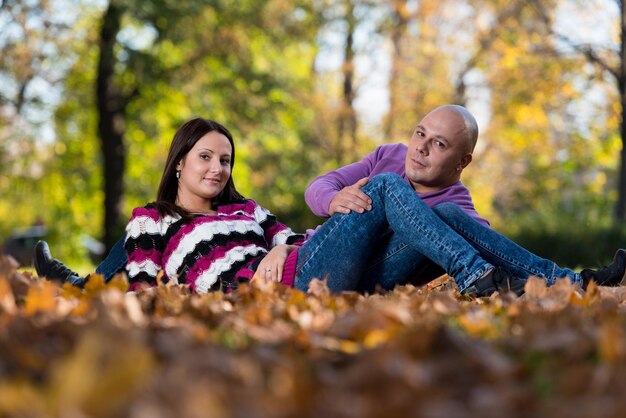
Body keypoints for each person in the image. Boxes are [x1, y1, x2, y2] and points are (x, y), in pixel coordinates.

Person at [35, 108, 625, 295]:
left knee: (444, 215)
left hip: (331, 268)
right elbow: (134, 283)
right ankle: (483, 276)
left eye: (226, 159)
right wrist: (82, 286)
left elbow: (289, 236)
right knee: (389, 186)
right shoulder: (153, 222)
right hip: (291, 284)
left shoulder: (250, 212)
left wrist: (282, 243)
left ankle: (572, 283)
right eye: (207, 158)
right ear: (180, 163)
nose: (218, 169)